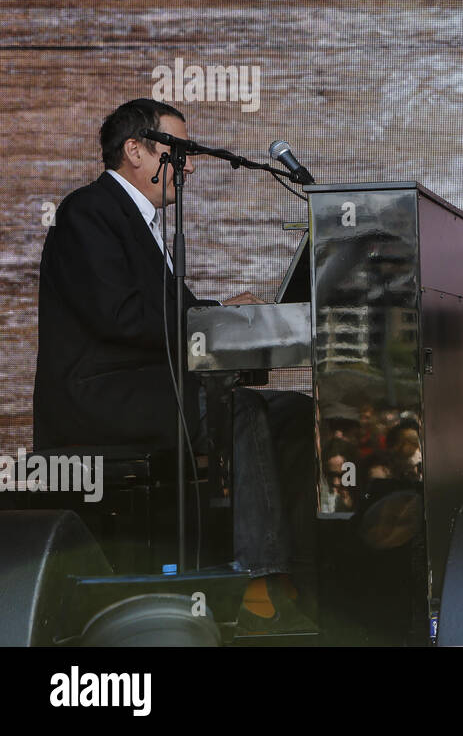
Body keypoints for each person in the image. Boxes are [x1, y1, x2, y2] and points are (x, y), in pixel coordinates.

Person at [33, 98, 318, 632]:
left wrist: (218, 317)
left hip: (148, 388)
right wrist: (212, 319)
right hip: (101, 396)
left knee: (296, 415)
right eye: (179, 151)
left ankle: (302, 576)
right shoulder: (88, 210)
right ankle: (260, 588)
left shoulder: (142, 223)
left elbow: (165, 314)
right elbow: (118, 317)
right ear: (134, 150)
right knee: (239, 412)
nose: (188, 165)